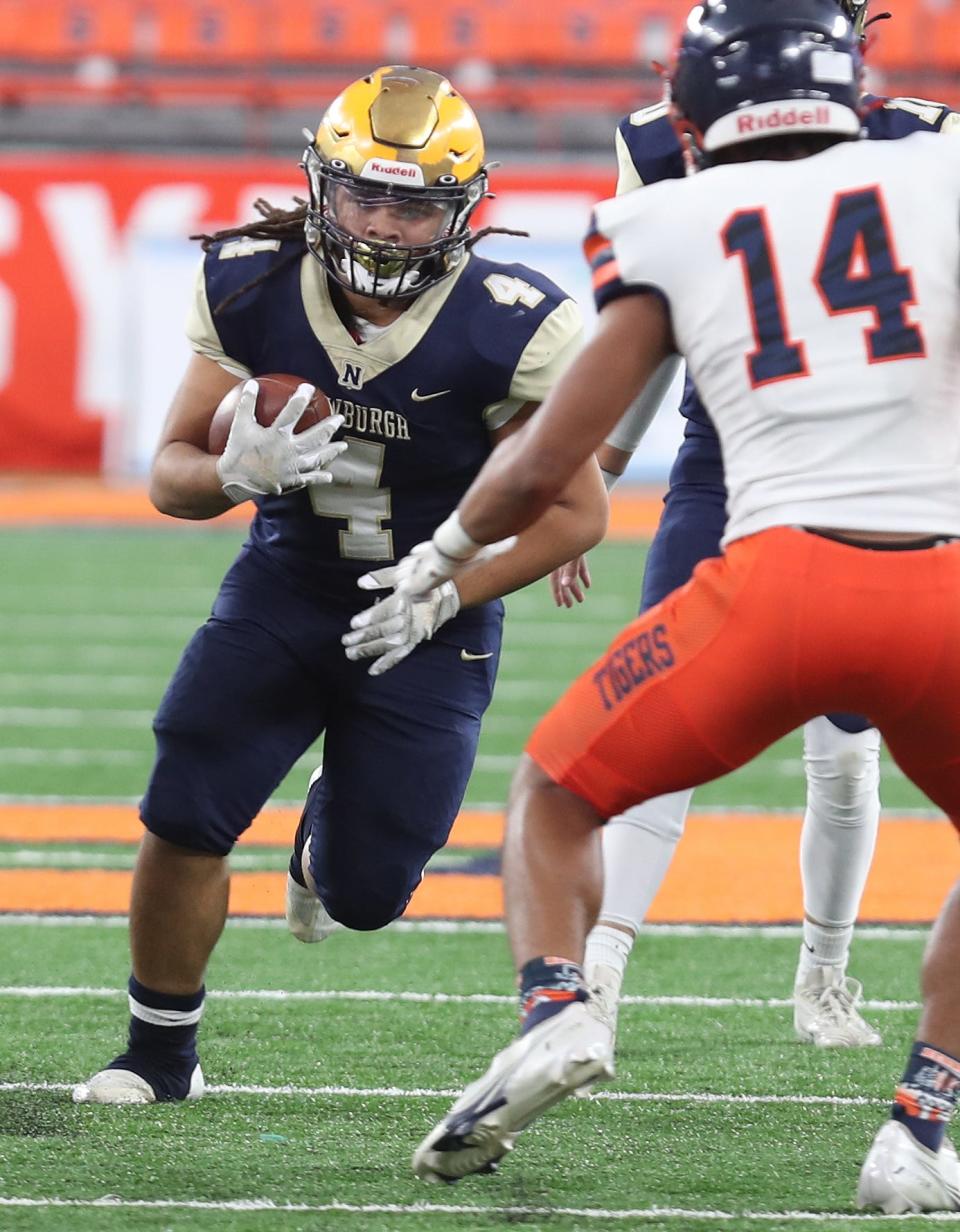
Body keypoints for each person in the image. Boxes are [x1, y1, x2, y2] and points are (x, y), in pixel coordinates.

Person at [390, 0, 960, 1209]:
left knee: (554, 790)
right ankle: (922, 1120)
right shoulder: (940, 168)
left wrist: (442, 555)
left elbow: (551, 459)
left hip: (778, 582)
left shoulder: (674, 210)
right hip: (942, 587)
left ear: (700, 107)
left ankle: (561, 1007)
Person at [72, 65, 606, 1106]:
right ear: (322, 187)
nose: (387, 223)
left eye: (416, 202)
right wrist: (232, 473)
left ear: (462, 210)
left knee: (368, 894)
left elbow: (579, 513)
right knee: (186, 801)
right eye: (367, 193)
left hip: (433, 617)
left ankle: (322, 846)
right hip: (289, 583)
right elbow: (171, 471)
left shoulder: (510, 321)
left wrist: (449, 585)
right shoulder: (252, 283)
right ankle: (156, 1055)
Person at [552, 0, 960, 1051]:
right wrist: (597, 468)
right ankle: (597, 973)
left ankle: (822, 973)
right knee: (658, 730)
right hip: (726, 455)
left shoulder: (923, 135)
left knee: (847, 749)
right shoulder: (669, 137)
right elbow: (648, 326)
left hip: (873, 474)